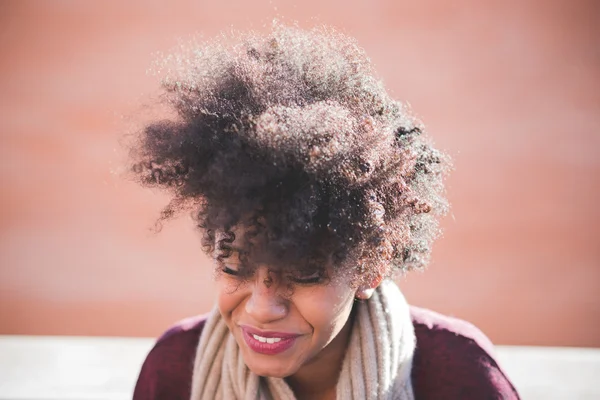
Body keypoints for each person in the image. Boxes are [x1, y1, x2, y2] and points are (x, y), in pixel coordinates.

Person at [130, 23, 519, 400]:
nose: (263, 308)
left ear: (371, 267)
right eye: (234, 266)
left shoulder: (457, 374)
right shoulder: (175, 370)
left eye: (304, 274)